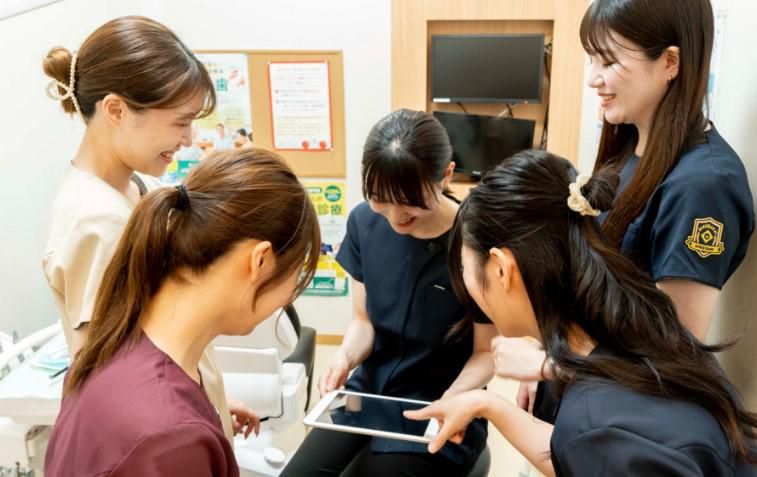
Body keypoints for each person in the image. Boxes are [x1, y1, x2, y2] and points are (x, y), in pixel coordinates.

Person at [405, 149, 757, 476]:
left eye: (464, 267)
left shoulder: (596, 420)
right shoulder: (640, 322)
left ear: (501, 269)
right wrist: (486, 404)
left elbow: (593, 446)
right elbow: (580, 453)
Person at [504, 0, 755, 426]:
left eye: (609, 61)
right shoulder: (628, 146)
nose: (592, 78)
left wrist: (550, 364)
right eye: (591, 59)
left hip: (618, 413)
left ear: (670, 62)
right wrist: (549, 346)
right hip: (583, 390)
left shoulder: (703, 186)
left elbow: (671, 352)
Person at [44, 148, 321, 477]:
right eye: (295, 276)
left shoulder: (111, 344)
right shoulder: (170, 439)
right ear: (259, 260)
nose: (289, 295)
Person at [41, 15, 248, 442]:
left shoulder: (139, 187)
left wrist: (211, 399)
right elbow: (113, 380)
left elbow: (159, 338)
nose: (188, 138)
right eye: (179, 122)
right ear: (116, 110)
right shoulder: (97, 222)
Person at [282, 109, 496, 477]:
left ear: (446, 174)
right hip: (367, 393)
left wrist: (451, 400)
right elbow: (364, 321)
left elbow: (486, 353)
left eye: (410, 200)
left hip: (440, 400)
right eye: (381, 198)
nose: (396, 216)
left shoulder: (475, 241)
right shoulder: (364, 222)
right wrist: (345, 357)